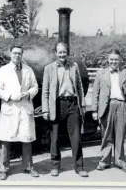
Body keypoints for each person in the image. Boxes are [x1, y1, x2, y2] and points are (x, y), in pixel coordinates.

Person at [0, 45, 40, 180]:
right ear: (10, 54)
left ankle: (29, 167)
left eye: (19, 53)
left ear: (22, 55)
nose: (17, 55)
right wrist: (9, 96)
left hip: (25, 107)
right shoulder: (3, 70)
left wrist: (28, 93)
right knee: (5, 140)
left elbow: (35, 87)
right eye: (14, 53)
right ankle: (3, 169)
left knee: (27, 139)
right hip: (10, 107)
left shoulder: (28, 70)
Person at [42, 42, 88, 177]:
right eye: (59, 52)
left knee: (76, 138)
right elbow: (45, 91)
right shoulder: (48, 68)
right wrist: (45, 110)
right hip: (56, 105)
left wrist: (83, 105)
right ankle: (55, 166)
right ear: (55, 53)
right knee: (55, 138)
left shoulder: (74, 66)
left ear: (67, 53)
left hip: (73, 104)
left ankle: (79, 167)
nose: (62, 54)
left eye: (64, 52)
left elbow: (79, 86)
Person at [91, 49, 126, 173]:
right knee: (106, 135)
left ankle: (120, 160)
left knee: (120, 135)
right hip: (106, 107)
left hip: (122, 106)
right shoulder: (101, 74)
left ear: (120, 60)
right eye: (111, 59)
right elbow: (95, 93)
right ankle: (105, 161)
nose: (114, 61)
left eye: (116, 59)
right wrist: (94, 110)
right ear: (108, 60)